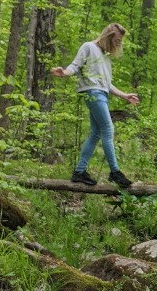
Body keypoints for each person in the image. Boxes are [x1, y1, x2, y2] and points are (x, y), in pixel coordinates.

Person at [51, 22, 140, 188]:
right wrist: (64, 72)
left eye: (119, 42)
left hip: (101, 94)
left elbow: (107, 84)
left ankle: (79, 172)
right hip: (93, 93)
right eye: (116, 41)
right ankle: (115, 172)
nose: (117, 44)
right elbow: (75, 66)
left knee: (96, 133)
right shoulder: (89, 47)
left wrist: (125, 96)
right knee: (108, 129)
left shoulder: (104, 57)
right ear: (108, 36)